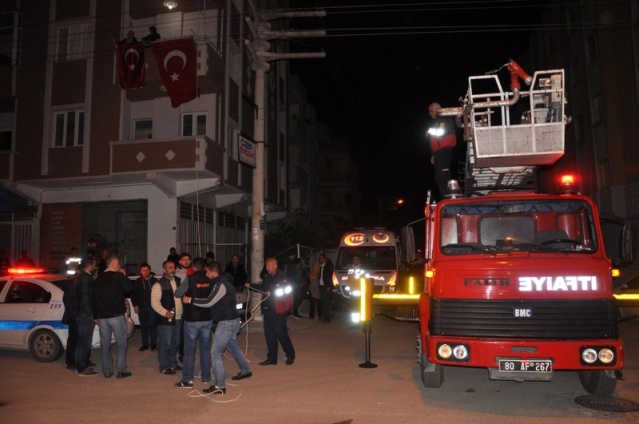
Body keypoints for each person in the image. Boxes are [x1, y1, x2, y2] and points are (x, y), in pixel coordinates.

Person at [183, 261, 252, 395]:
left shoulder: (221, 285)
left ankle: (219, 386)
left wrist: (190, 300)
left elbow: (209, 302)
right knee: (232, 346)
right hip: (231, 321)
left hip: (227, 322)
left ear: (214, 272)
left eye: (208, 272)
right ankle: (245, 370)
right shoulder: (221, 283)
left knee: (215, 352)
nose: (206, 274)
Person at [246, 257, 295, 366]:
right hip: (267, 309)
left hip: (279, 310)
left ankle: (290, 354)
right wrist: (251, 286)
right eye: (266, 266)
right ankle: (272, 358)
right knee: (269, 335)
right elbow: (263, 288)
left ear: (275, 265)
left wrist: (273, 291)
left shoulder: (283, 278)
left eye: (268, 266)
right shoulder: (268, 277)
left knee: (281, 333)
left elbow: (287, 291)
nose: (266, 268)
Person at [173, 258, 212, 389]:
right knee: (205, 349)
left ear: (194, 267)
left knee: (189, 350)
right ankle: (206, 377)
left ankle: (187, 380)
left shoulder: (189, 278)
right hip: (207, 317)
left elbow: (177, 293)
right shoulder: (210, 279)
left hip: (191, 318)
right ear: (205, 267)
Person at [92, 255, 132, 378]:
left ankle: (107, 371)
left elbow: (94, 298)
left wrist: (95, 316)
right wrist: (124, 275)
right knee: (121, 343)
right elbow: (128, 289)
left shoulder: (98, 279)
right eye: (119, 264)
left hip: (103, 317)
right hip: (116, 315)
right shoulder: (119, 277)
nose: (120, 266)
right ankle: (121, 370)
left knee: (105, 345)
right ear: (114, 264)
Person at [151, 260, 183, 375]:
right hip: (166, 319)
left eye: (173, 267)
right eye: (169, 267)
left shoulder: (179, 281)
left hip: (178, 318)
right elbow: (154, 303)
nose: (172, 269)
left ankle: (173, 363)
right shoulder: (158, 284)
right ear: (164, 270)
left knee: (175, 342)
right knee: (165, 343)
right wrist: (165, 312)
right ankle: (164, 366)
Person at [426, 102, 457, 199]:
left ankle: (449, 197)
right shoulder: (435, 124)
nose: (430, 113)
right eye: (429, 111)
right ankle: (445, 197)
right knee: (439, 177)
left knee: (443, 174)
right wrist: (433, 155)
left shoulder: (445, 120)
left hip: (444, 151)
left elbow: (441, 135)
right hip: (438, 153)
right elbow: (434, 140)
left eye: (431, 111)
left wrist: (432, 132)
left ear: (437, 109)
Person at [75, 257, 98, 376]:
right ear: (89, 266)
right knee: (85, 343)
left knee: (82, 342)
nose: (95, 267)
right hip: (85, 316)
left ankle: (80, 365)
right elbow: (86, 299)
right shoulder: (85, 278)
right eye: (94, 265)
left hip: (83, 315)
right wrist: (91, 314)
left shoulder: (83, 277)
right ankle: (82, 368)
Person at [131, 263, 158, 352]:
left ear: (150, 270)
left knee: (153, 326)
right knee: (143, 326)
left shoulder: (155, 281)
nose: (145, 272)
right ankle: (145, 344)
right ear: (140, 271)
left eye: (147, 270)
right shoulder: (138, 282)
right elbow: (133, 294)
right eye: (143, 270)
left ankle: (154, 344)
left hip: (153, 307)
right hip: (142, 307)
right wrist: (135, 305)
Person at [318, 253, 334, 323]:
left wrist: (328, 286)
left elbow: (329, 277)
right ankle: (325, 318)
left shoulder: (328, 266)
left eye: (321, 258)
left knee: (326, 302)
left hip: (326, 286)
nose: (320, 260)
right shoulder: (321, 266)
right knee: (323, 302)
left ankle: (327, 318)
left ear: (325, 259)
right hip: (321, 286)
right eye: (319, 258)